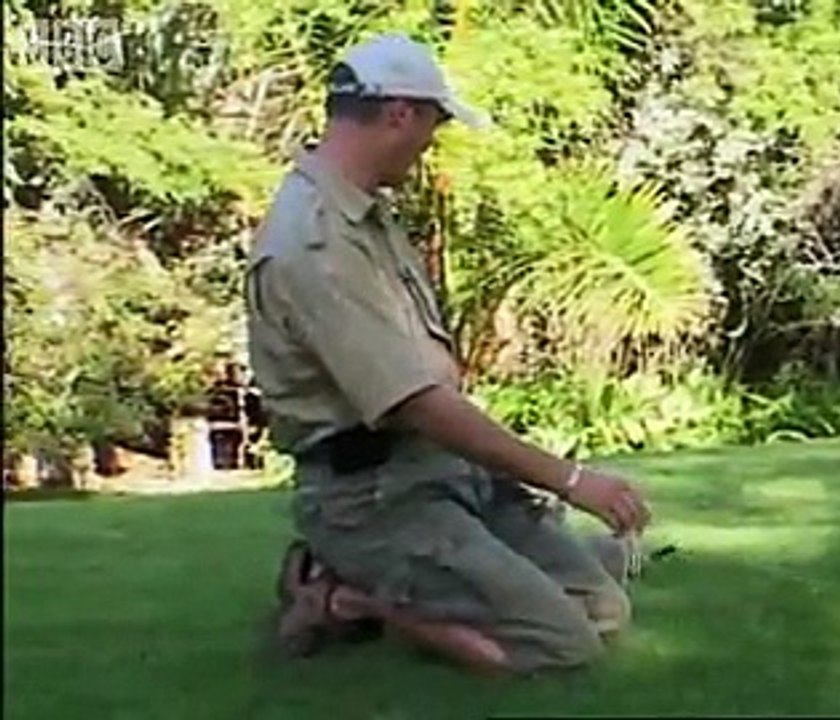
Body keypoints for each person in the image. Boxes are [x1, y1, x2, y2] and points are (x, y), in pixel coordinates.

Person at [243, 33, 652, 676]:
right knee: (561, 645)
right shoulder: (315, 246)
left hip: (434, 471)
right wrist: (571, 482)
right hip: (373, 497)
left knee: (602, 606)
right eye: (433, 120)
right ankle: (346, 593)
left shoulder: (366, 216)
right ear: (400, 113)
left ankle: (393, 579)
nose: (433, 138)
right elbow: (416, 404)